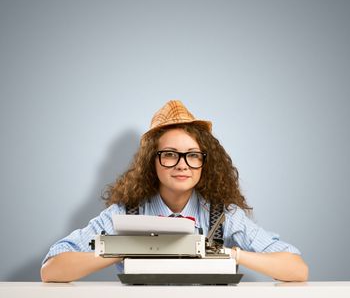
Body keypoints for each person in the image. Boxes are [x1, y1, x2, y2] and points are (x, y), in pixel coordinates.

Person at [41, 100, 308, 282]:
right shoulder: (124, 214)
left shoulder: (224, 216)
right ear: (152, 161)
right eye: (169, 155)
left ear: (204, 162)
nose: (182, 165)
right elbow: (51, 270)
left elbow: (297, 269)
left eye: (192, 155)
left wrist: (231, 254)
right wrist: (125, 249)